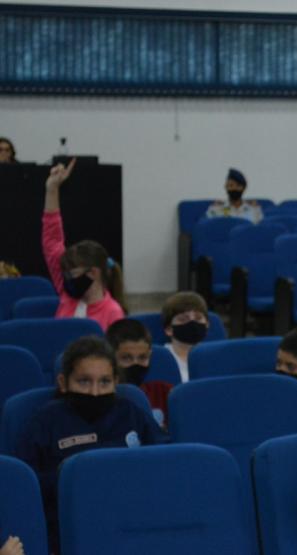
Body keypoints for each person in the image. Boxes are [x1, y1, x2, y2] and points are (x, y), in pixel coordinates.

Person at [15, 336, 167, 552]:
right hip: (67, 525)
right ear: (63, 382)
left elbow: (165, 460)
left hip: (133, 519)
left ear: (116, 382)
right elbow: (25, 484)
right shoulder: (45, 421)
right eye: (84, 381)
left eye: (104, 382)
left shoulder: (130, 412)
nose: (95, 392)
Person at [42, 159, 127, 330]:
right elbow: (52, 241)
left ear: (93, 273)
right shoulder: (68, 294)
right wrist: (52, 189)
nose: (66, 279)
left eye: (72, 274)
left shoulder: (113, 313)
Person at [106, 318, 172, 427]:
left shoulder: (164, 393)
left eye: (142, 358)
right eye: (126, 358)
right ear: (110, 359)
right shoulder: (102, 399)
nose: (135, 364)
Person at [160, 291, 210, 383]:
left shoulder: (214, 356)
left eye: (198, 318)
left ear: (207, 324)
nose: (192, 323)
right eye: (183, 319)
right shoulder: (160, 358)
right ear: (169, 329)